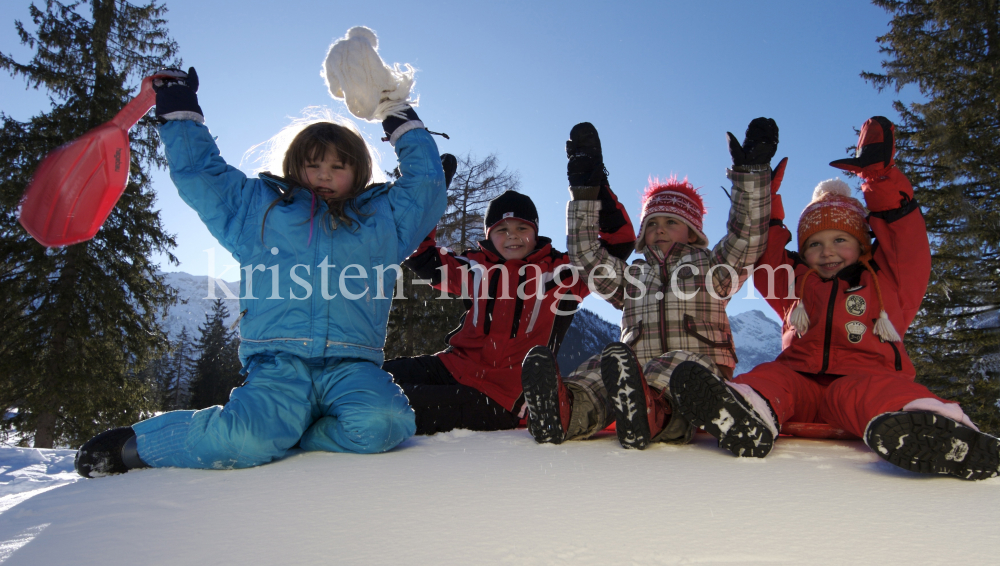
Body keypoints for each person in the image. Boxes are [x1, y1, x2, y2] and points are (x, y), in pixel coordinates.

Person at [74, 28, 447, 477]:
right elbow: (202, 175)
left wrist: (394, 110)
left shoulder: (381, 221)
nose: (324, 175)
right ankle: (139, 446)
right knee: (244, 439)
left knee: (384, 425)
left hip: (352, 365)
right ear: (295, 166)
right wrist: (180, 114)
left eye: (337, 166)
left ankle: (296, 433)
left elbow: (424, 187)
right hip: (278, 365)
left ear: (358, 170)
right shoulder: (260, 210)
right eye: (313, 164)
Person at [669, 116, 1000, 480]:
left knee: (877, 392)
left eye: (840, 240)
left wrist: (878, 177)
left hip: (862, 379)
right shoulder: (795, 283)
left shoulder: (890, 281)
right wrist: (762, 192)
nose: (827, 252)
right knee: (771, 376)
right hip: (801, 385)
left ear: (862, 244)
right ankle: (748, 410)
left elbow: (906, 239)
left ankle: (929, 427)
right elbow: (765, 253)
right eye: (814, 244)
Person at [522, 120, 776, 449]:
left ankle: (651, 411)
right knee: (600, 369)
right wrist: (584, 194)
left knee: (673, 367)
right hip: (631, 373)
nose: (660, 228)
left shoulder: (714, 269)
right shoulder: (632, 277)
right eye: (652, 222)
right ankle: (567, 411)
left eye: (672, 222)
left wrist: (752, 176)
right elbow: (586, 256)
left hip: (696, 376)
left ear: (695, 233)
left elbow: (747, 237)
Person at [383, 167, 635, 435]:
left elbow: (618, 246)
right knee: (369, 377)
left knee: (393, 402)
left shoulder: (563, 273)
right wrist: (429, 194)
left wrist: (596, 187)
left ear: (535, 232)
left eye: (522, 227)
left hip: (505, 395)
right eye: (501, 229)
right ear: (489, 234)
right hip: (452, 367)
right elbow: (419, 253)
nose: (512, 235)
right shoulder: (474, 267)